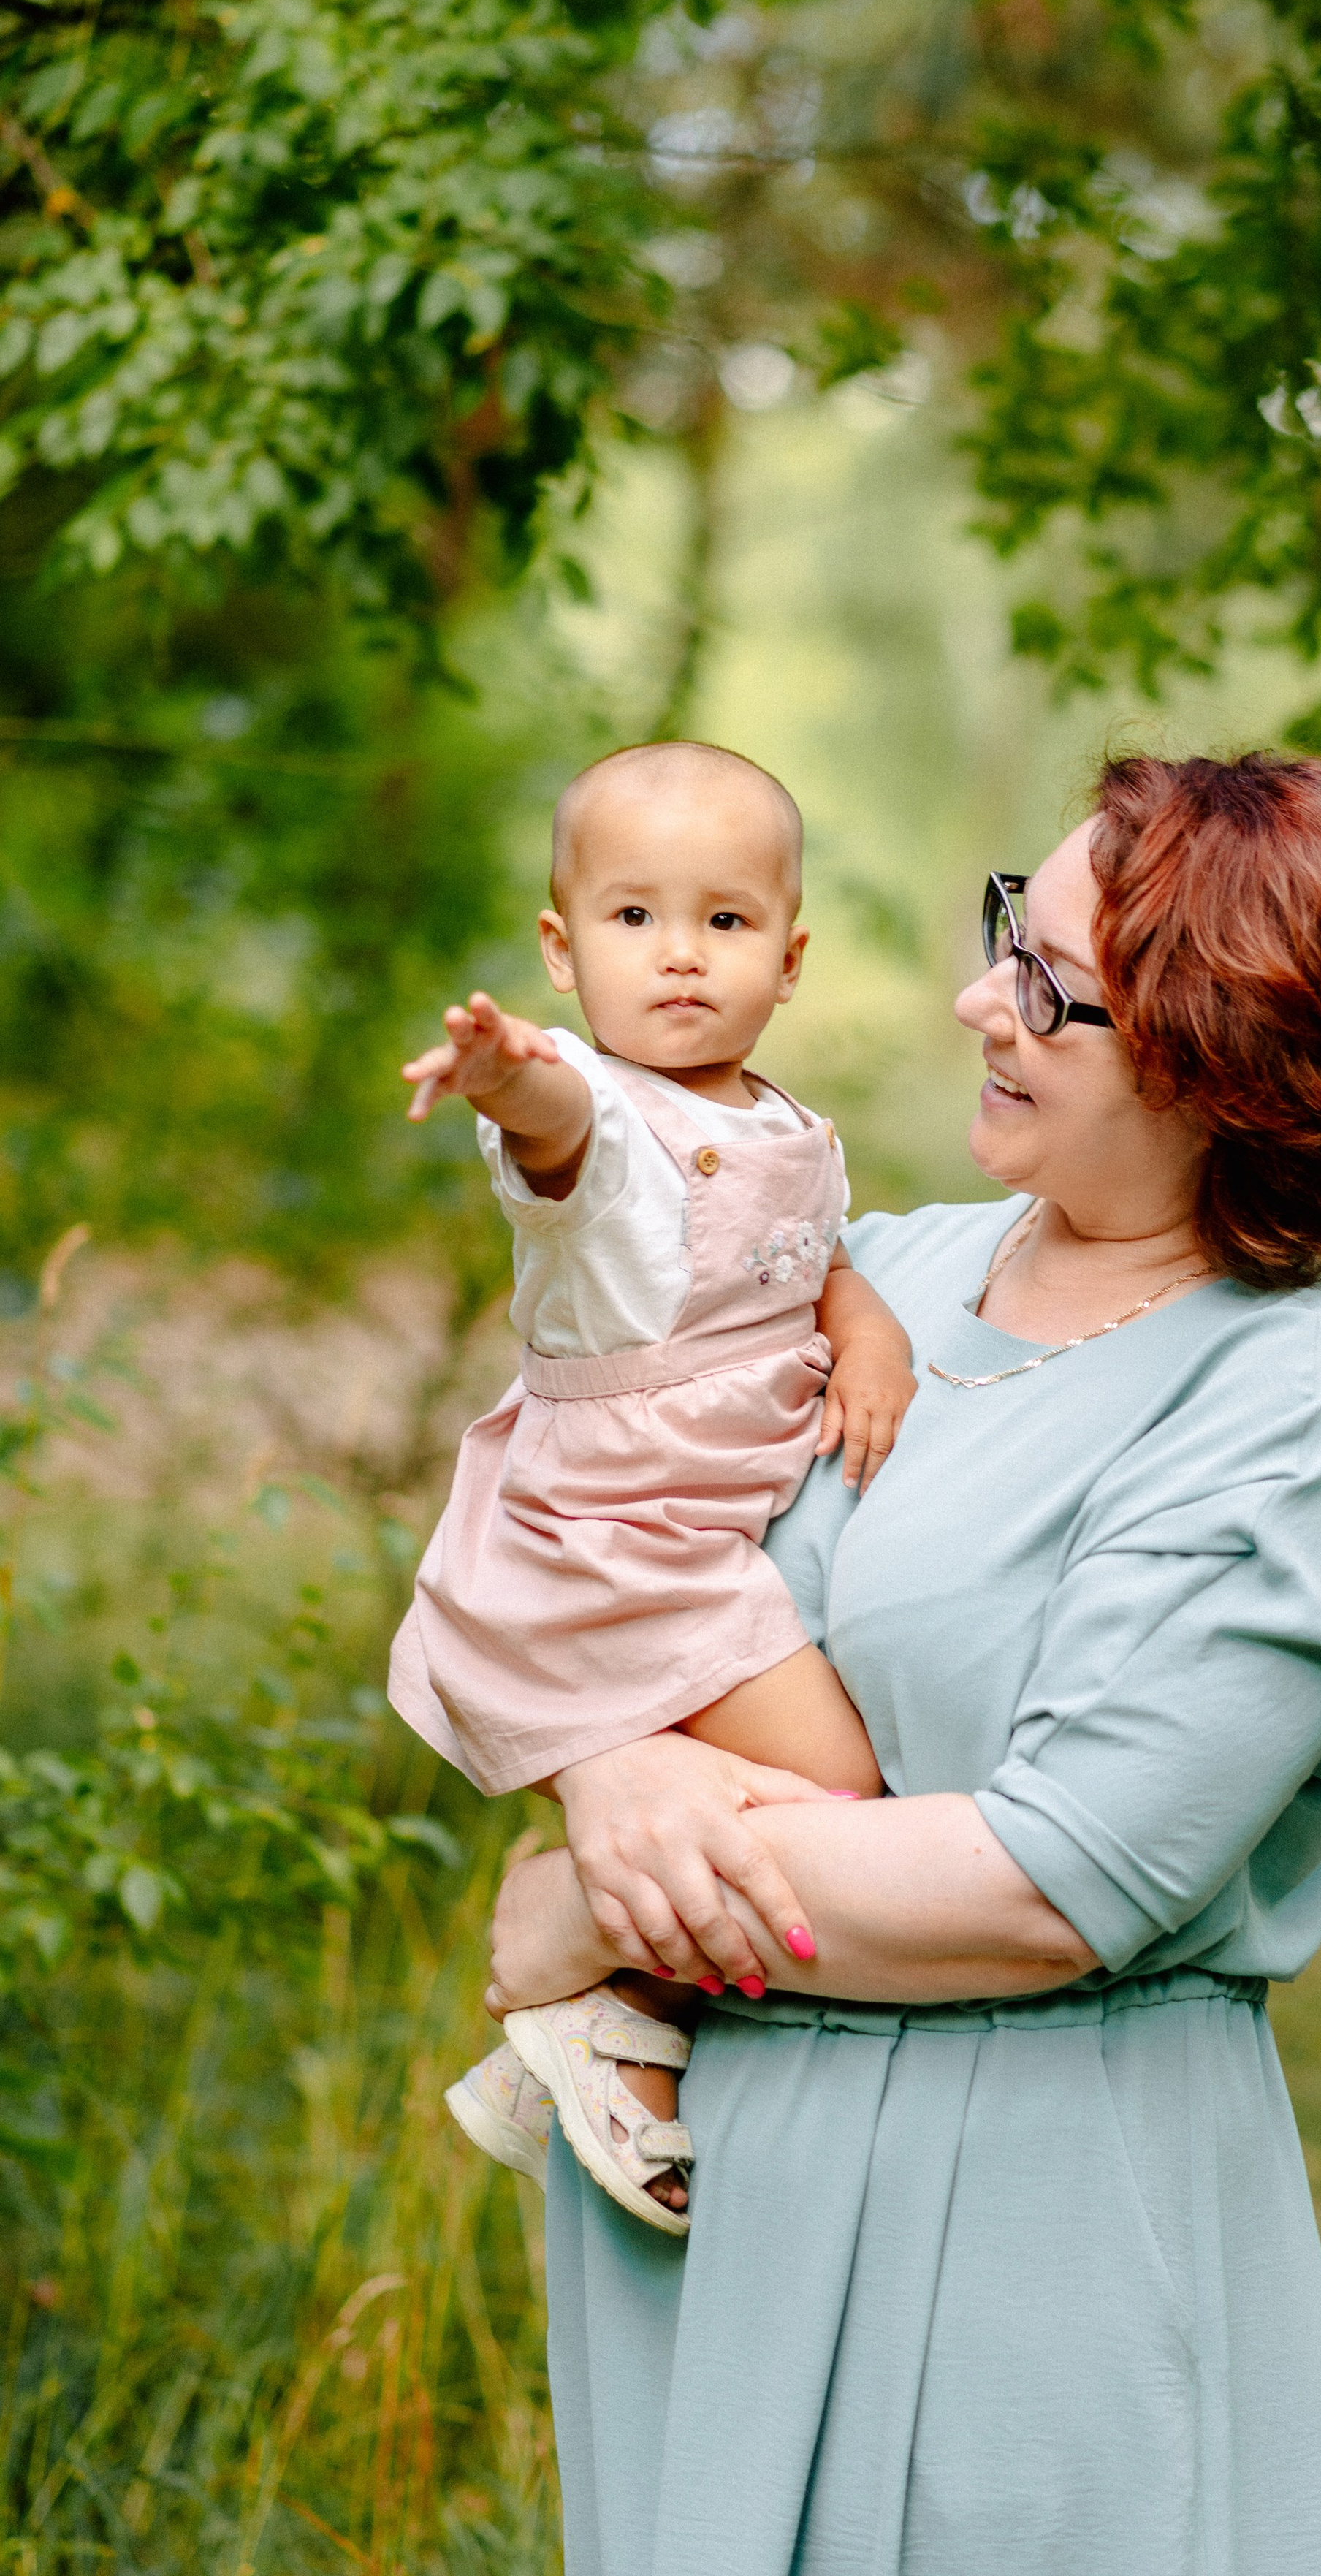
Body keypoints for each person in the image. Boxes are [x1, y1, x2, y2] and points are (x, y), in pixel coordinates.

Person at [487, 749, 1321, 2576]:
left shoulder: (1283, 1407)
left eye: (1050, 981)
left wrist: (598, 1912)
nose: (976, 998)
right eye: (1009, 926)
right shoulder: (879, 1266)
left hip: (1025, 2220)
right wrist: (606, 1777)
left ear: (1224, 1061)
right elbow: (596, 1518)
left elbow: (1050, 1880)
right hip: (712, 2197)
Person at [389, 740, 915, 2231]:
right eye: (631, 920)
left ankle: (591, 2023)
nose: (678, 956)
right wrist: (510, 1079)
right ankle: (592, 1983)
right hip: (621, 1543)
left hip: (691, 1533)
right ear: (560, 950)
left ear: (790, 954)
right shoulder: (604, 1124)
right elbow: (561, 1139)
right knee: (836, 1790)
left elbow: (816, 1258)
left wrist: (859, 1327)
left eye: (725, 922)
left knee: (765, 1794)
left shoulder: (779, 1121)